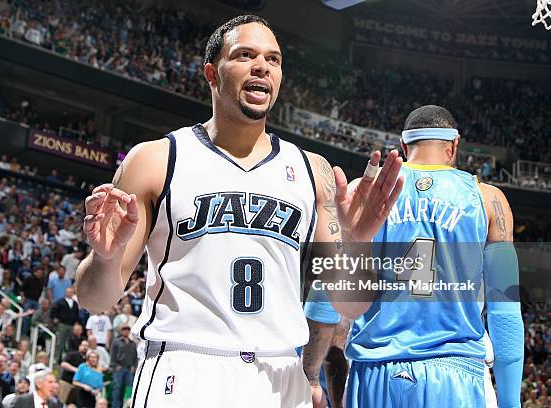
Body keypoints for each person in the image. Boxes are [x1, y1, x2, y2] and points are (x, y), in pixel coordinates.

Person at [75, 15, 402, 407]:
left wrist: (359, 241)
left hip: (280, 375)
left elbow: (351, 304)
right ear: (212, 74)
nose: (262, 66)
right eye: (245, 55)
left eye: (273, 59)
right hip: (185, 364)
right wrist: (106, 258)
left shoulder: (313, 172)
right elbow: (94, 299)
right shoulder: (156, 159)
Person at [303, 105, 523, 407]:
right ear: (455, 144)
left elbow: (324, 296)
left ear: (404, 146)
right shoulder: (489, 200)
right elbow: (506, 313)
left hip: (375, 372)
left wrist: (310, 377)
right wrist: (511, 402)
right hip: (456, 373)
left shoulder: (365, 192)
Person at [110, 325, 137, 408]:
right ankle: (115, 406)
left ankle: (126, 405)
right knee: (117, 388)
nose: (126, 331)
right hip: (119, 368)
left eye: (127, 330)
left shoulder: (133, 343)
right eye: (124, 329)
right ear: (121, 331)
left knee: (129, 388)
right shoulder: (116, 342)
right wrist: (115, 365)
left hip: (129, 368)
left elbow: (135, 356)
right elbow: (112, 355)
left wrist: (134, 366)